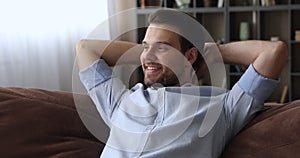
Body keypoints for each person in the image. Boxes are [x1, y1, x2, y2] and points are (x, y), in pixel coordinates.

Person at [76, 9, 288, 158]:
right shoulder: (119, 101)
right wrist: (151, 55)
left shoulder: (222, 108)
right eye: (144, 46)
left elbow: (274, 52)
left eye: (162, 47)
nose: (147, 55)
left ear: (191, 55)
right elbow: (85, 48)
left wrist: (215, 53)